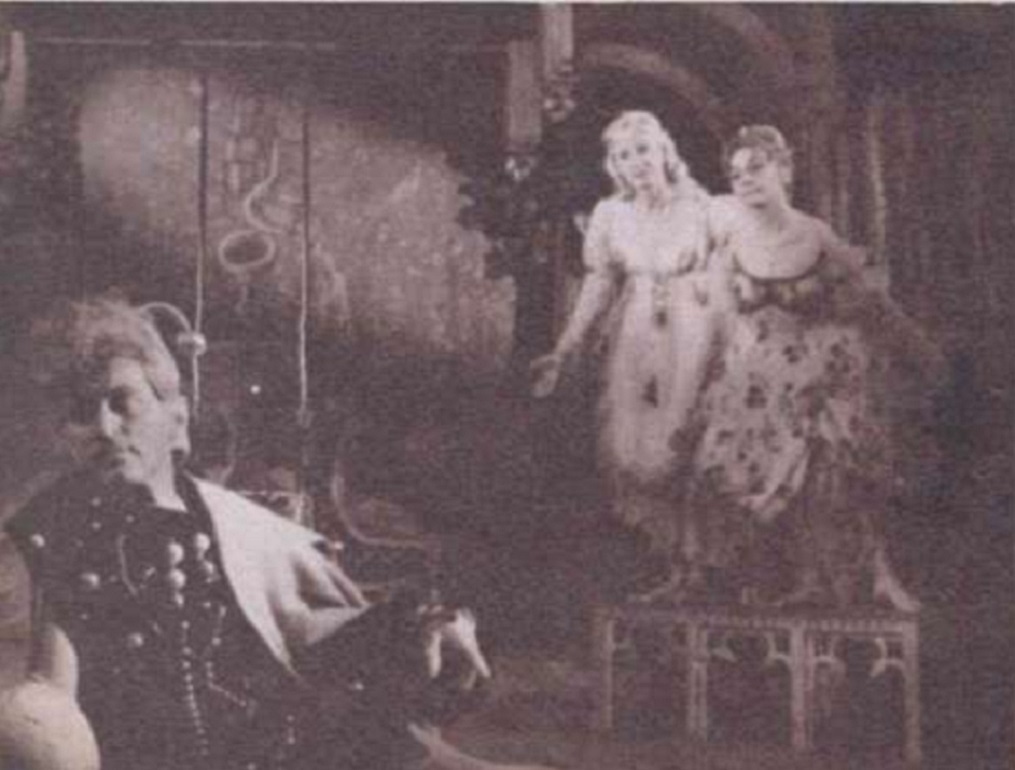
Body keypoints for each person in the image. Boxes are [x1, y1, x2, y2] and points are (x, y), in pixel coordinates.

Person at [0, 296, 543, 770]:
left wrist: (424, 630)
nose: (103, 426)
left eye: (123, 401)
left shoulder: (242, 530)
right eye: (81, 412)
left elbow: (313, 639)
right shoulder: (51, 534)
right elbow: (46, 697)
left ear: (177, 418)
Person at [683, 125, 940, 610]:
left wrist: (920, 350)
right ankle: (772, 584)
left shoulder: (815, 235)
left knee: (834, 471)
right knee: (722, 468)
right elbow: (717, 325)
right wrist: (701, 385)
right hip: (760, 377)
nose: (745, 180)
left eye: (756, 168)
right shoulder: (730, 246)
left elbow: (873, 302)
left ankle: (867, 578)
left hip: (821, 371)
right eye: (736, 174)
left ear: (784, 170)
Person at [531, 111, 719, 581]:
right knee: (631, 445)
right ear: (614, 165)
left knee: (688, 437)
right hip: (635, 336)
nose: (636, 162)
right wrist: (565, 347)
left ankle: (699, 563)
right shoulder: (610, 215)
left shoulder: (702, 208)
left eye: (643, 150)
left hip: (694, 331)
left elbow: (730, 276)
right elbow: (598, 284)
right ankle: (668, 561)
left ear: (664, 151)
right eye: (624, 155)